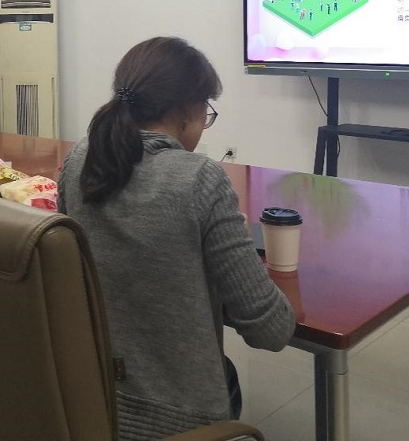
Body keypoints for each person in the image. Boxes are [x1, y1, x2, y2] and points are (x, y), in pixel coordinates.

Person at [58, 36, 295, 440]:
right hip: (178, 423)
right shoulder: (199, 179)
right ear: (186, 110)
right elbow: (271, 329)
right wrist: (232, 249)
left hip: (93, 401)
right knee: (226, 377)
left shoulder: (79, 160)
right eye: (206, 110)